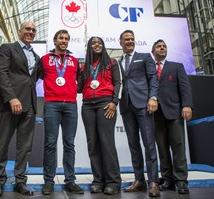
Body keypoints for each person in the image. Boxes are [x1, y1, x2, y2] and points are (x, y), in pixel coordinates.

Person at [0, 21, 41, 198]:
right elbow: (1, 73)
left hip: (30, 106)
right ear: (20, 30)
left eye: (34, 30)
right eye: (27, 29)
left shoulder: (36, 57)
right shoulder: (7, 48)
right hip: (10, 104)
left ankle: (20, 181)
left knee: (25, 146)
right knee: (3, 142)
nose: (30, 32)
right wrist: (12, 98)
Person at [39, 29, 84, 195]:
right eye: (61, 38)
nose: (64, 41)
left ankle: (70, 180)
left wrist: (73, 89)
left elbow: (80, 78)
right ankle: (49, 181)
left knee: (69, 144)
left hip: (71, 105)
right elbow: (35, 77)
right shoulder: (45, 59)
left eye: (66, 38)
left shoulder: (74, 61)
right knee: (50, 143)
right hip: (52, 104)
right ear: (55, 40)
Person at [77, 37, 122, 195]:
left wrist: (114, 102)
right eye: (93, 43)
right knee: (93, 143)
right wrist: (77, 75)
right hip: (88, 105)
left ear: (103, 46)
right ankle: (98, 180)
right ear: (89, 47)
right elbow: (79, 88)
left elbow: (118, 83)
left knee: (106, 142)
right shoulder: (84, 67)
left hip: (105, 104)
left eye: (99, 43)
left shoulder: (111, 63)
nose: (97, 45)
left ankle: (113, 181)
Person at [118, 30, 160, 197]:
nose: (130, 42)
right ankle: (139, 180)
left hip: (144, 104)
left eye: (132, 39)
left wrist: (153, 97)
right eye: (126, 39)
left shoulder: (145, 56)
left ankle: (154, 182)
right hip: (126, 106)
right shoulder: (119, 61)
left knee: (149, 144)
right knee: (133, 144)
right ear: (120, 42)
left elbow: (153, 78)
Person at [151, 39, 193, 194]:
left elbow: (185, 87)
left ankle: (181, 180)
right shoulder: (149, 68)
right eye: (158, 47)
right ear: (152, 51)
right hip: (155, 114)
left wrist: (187, 105)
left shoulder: (177, 66)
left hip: (174, 112)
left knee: (178, 147)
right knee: (162, 149)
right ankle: (168, 179)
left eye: (164, 46)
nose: (162, 48)